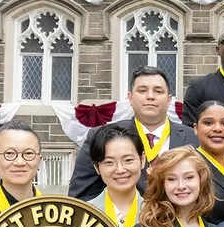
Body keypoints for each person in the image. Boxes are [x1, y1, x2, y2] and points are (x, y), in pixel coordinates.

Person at [71, 66, 199, 199]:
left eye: (158, 91)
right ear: (130, 98)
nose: (150, 96)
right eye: (142, 90)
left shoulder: (194, 139)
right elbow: (82, 199)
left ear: (169, 100)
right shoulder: (100, 137)